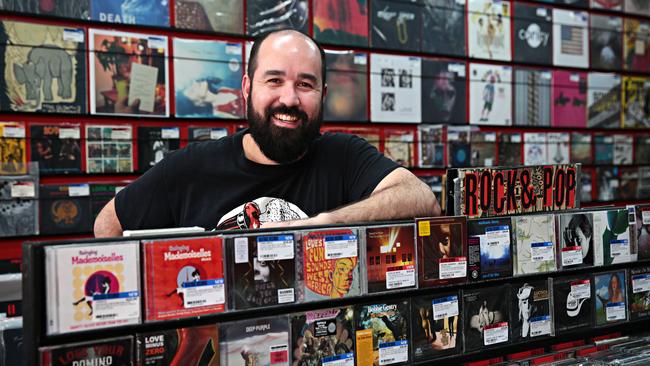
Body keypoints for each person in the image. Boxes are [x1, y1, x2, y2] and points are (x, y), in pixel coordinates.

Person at [94, 29, 440, 237]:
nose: (289, 99)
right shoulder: (191, 167)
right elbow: (107, 225)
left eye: (305, 84)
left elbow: (422, 198)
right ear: (247, 87)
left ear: (323, 94)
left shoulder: (343, 155)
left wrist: (324, 223)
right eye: (274, 80)